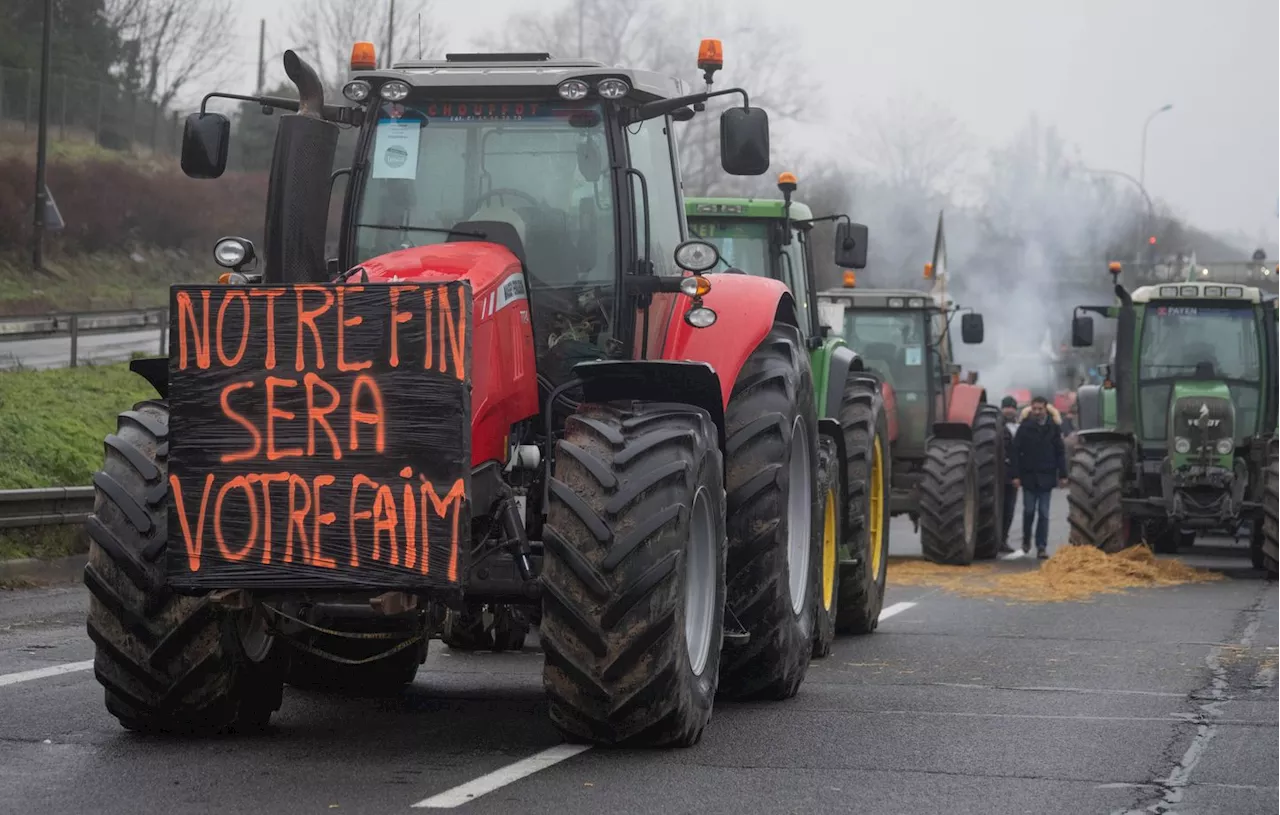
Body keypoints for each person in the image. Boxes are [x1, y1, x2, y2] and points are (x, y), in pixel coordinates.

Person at [1011, 395, 1069, 559]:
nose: (1037, 412)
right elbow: (1015, 452)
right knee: (1029, 511)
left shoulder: (1053, 428)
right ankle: (1026, 541)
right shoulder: (1025, 427)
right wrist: (1015, 475)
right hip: (1029, 475)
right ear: (1031, 409)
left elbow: (1060, 452)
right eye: (1034, 409)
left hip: (1047, 475)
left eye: (1040, 409)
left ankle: (1041, 546)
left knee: (1043, 513)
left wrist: (1063, 474)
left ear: (1045, 408)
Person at [999, 396, 1020, 554]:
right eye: (1007, 407)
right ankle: (997, 539)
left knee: (1009, 509)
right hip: (999, 475)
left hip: (1013, 476)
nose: (1009, 411)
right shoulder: (996, 427)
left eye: (1012, 408)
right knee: (999, 509)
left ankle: (1003, 539)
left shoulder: (1018, 427)